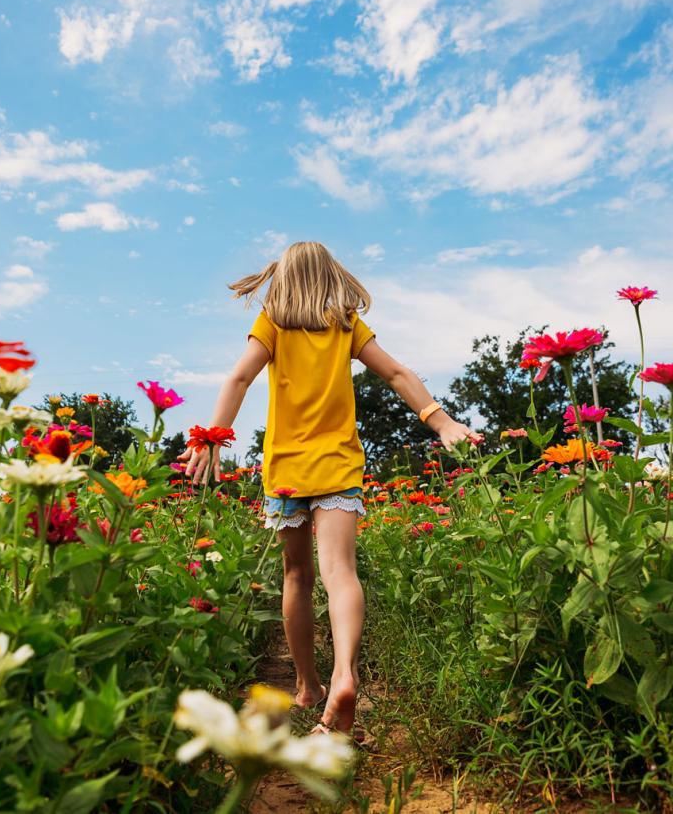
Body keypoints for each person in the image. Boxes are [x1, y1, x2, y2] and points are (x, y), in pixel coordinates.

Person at [180, 241, 480, 735]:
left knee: (296, 576)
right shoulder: (346, 325)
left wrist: (212, 439)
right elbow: (398, 372)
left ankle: (307, 686)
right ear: (331, 277)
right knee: (340, 572)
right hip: (338, 467)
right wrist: (441, 421)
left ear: (283, 279)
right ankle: (345, 674)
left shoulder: (272, 323)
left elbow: (238, 379)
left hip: (286, 472)